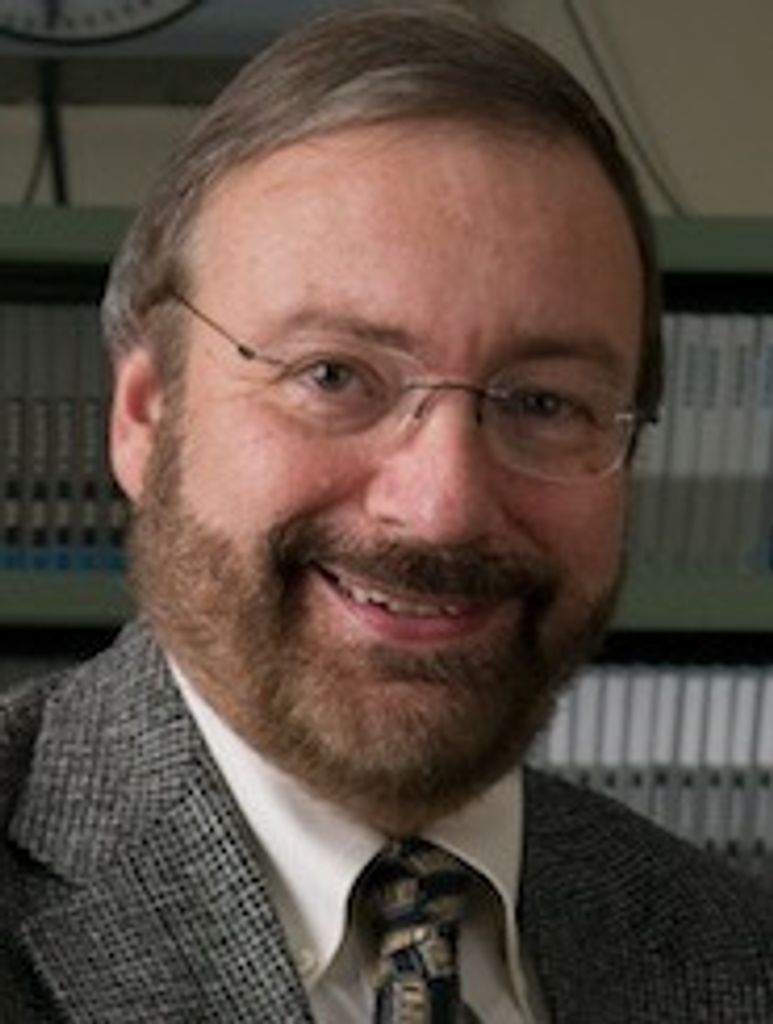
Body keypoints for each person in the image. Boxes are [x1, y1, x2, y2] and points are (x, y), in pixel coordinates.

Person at [2, 5, 771, 1022]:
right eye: (333, 375)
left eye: (544, 402)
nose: (442, 508)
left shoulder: (738, 955)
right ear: (145, 416)